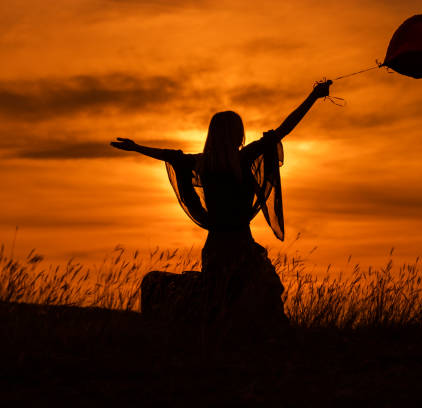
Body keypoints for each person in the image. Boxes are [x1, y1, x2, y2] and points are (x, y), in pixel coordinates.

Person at [110, 80, 332, 337]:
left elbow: (169, 155)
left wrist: (137, 147)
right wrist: (313, 97)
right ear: (232, 134)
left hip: (218, 244)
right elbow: (284, 129)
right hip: (238, 244)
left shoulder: (203, 164)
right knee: (251, 296)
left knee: (222, 300)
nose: (242, 134)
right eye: (238, 129)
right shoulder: (242, 158)